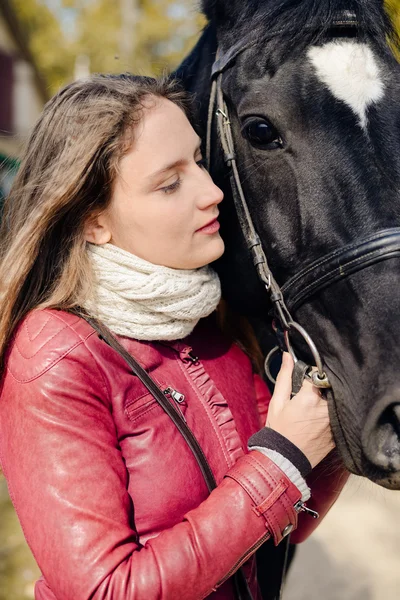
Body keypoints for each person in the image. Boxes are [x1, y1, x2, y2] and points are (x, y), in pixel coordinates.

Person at [0, 74, 347, 600]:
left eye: (200, 163)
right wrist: (281, 460)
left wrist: (346, 416)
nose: (212, 194)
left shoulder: (208, 314)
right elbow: (104, 591)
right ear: (94, 222)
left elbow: (284, 522)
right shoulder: (56, 355)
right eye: (169, 183)